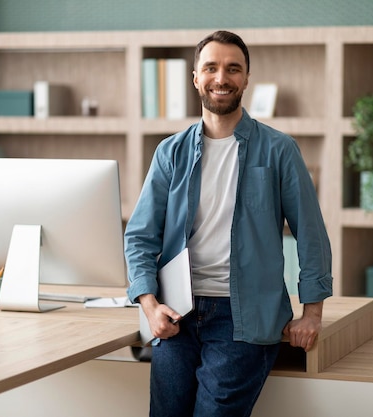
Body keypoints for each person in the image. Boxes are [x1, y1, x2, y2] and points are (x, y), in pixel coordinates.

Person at [124, 30, 333, 417]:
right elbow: (139, 236)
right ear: (196, 77)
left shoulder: (279, 149)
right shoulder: (170, 152)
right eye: (211, 68)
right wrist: (150, 305)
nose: (222, 78)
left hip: (245, 318)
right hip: (176, 314)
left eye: (233, 69)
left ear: (246, 78)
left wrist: (313, 313)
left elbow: (312, 234)